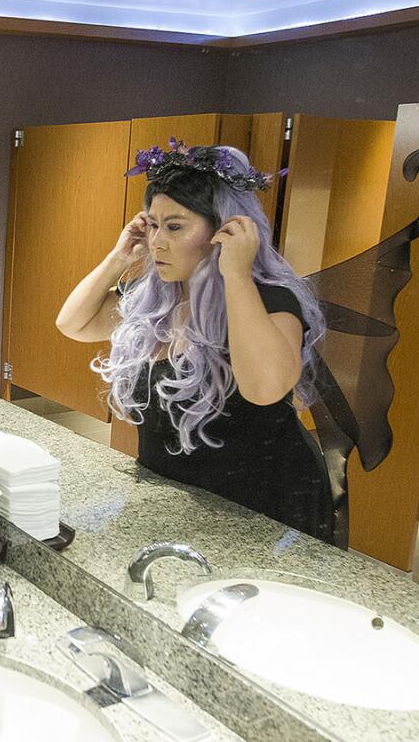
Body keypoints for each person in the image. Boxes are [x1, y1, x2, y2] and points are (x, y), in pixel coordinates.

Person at [56, 140, 333, 543]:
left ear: (224, 229)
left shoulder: (270, 299)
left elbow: (265, 388)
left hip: (261, 512)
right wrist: (119, 256)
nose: (156, 242)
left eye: (175, 227)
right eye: (152, 224)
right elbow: (73, 323)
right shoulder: (156, 298)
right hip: (175, 502)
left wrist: (236, 275)